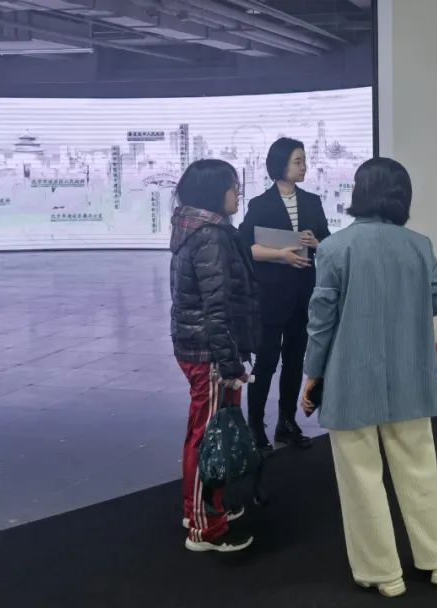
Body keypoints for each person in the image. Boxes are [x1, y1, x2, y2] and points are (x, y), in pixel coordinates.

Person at [301, 158, 437, 598]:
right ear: (401, 196)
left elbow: (320, 322)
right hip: (411, 376)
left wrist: (311, 375)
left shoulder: (334, 248)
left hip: (349, 378)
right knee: (420, 469)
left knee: (360, 478)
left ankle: (382, 573)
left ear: (359, 192)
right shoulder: (419, 245)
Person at [170, 159, 260, 553]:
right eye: (232, 187)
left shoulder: (197, 228)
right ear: (213, 192)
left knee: (211, 430)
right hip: (209, 350)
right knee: (207, 435)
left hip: (204, 346)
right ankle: (203, 527)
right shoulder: (210, 235)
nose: (238, 193)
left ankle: (208, 509)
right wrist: (229, 363)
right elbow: (216, 307)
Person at [240, 137, 331, 452]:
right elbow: (246, 247)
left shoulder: (313, 202)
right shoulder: (260, 204)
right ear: (280, 164)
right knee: (266, 361)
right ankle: (255, 426)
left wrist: (316, 242)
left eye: (304, 160)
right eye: (297, 160)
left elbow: (328, 243)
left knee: (294, 360)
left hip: (304, 293)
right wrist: (281, 255)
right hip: (270, 293)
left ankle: (287, 422)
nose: (304, 166)